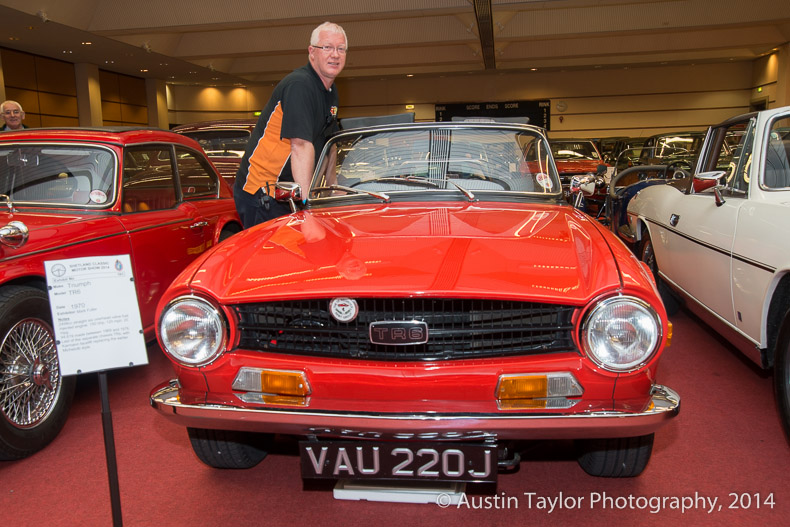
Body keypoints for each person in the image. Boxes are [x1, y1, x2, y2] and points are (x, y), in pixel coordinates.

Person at [234, 21, 347, 228]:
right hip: (263, 194)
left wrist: (334, 189)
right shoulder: (300, 85)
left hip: (289, 192)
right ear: (312, 52)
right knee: (273, 259)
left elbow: (329, 145)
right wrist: (306, 204)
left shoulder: (331, 91)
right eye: (328, 47)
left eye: (341, 49)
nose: (335, 54)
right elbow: (300, 145)